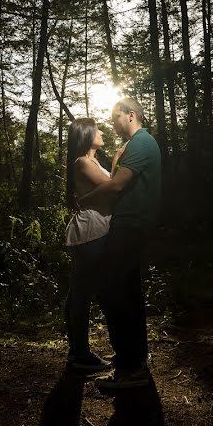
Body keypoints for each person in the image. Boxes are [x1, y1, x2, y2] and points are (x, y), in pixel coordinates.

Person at [78, 98, 161, 390]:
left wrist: (82, 200)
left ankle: (130, 365)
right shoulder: (136, 145)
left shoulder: (140, 143)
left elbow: (115, 185)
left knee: (111, 291)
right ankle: (133, 364)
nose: (112, 124)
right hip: (130, 225)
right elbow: (117, 178)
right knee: (127, 293)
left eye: (116, 117)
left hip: (129, 226)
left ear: (131, 115)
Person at [63, 118, 118, 372]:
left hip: (96, 230)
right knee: (82, 294)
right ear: (87, 135)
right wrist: (117, 161)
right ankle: (80, 355)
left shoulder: (91, 161)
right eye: (97, 130)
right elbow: (112, 187)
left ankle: (77, 352)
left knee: (80, 292)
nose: (102, 132)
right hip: (90, 232)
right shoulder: (83, 162)